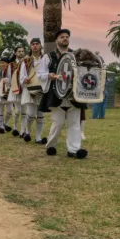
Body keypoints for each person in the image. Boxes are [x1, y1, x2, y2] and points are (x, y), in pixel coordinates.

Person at [38, 29, 88, 159]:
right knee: (58, 123)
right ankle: (51, 145)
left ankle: (74, 150)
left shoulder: (76, 56)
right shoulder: (48, 57)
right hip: (56, 94)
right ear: (56, 40)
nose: (65, 38)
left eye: (67, 37)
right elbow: (40, 75)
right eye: (62, 37)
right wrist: (49, 75)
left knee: (74, 123)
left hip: (73, 95)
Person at [21, 38, 47, 144]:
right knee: (31, 114)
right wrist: (24, 79)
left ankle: (38, 138)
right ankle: (27, 131)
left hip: (42, 88)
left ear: (40, 46)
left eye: (37, 44)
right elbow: (22, 74)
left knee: (41, 114)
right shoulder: (26, 60)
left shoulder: (45, 59)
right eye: (33, 44)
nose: (35, 45)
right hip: (30, 89)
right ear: (30, 46)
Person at [7, 46, 26, 136]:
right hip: (16, 88)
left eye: (22, 51)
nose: (21, 53)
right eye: (19, 51)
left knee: (24, 110)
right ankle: (14, 126)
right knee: (18, 109)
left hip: (25, 88)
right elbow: (9, 77)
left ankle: (22, 131)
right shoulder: (11, 64)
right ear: (15, 53)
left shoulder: (27, 63)